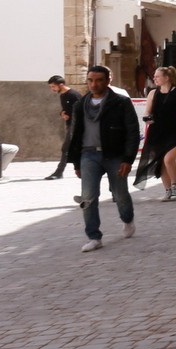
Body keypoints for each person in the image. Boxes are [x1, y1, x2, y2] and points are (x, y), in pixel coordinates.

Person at [68, 66, 141, 253]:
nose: (94, 84)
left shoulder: (121, 103)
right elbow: (74, 133)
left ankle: (127, 219)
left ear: (108, 80)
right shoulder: (80, 105)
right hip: (88, 154)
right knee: (88, 197)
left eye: (99, 80)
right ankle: (94, 236)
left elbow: (132, 132)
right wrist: (76, 161)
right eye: (90, 80)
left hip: (114, 155)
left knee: (120, 194)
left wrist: (128, 159)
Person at [134, 65, 176, 201]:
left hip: (175, 130)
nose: (154, 78)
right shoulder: (152, 93)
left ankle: (174, 185)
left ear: (167, 78)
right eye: (154, 76)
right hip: (157, 130)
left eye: (157, 76)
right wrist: (147, 119)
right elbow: (147, 112)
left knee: (169, 159)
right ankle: (167, 190)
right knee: (160, 162)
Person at [44, 75, 81, 179]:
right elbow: (65, 110)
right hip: (70, 126)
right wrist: (62, 114)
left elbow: (82, 110)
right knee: (71, 148)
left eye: (53, 86)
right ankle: (79, 170)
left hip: (77, 126)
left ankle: (59, 172)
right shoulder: (62, 96)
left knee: (66, 148)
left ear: (61, 85)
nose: (52, 89)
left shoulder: (74, 95)